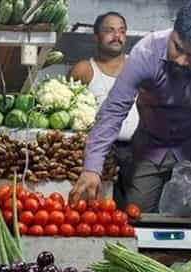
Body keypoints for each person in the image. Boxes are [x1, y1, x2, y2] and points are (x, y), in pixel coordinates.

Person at [69, 0, 191, 213]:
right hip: (150, 147)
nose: (182, 60)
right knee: (138, 213)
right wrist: (92, 168)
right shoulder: (147, 51)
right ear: (174, 30)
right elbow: (114, 111)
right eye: (177, 48)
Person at [68, 11, 140, 201]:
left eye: (122, 31)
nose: (117, 36)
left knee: (134, 208)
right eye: (110, 31)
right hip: (98, 153)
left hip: (137, 151)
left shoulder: (138, 66)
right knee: (100, 207)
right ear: (96, 36)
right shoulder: (84, 70)